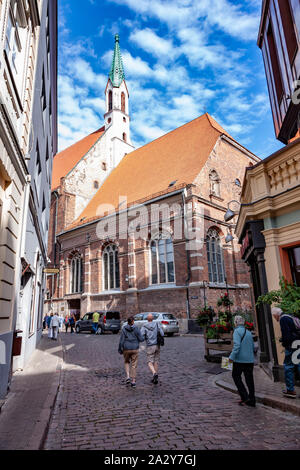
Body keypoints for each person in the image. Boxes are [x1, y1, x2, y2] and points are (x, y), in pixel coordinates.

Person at [273, 308, 300, 399]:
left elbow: (286, 334)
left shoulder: (283, 319)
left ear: (276, 315)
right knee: (299, 365)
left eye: (274, 316)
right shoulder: (290, 316)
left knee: (288, 366)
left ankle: (290, 390)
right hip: (298, 344)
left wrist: (285, 344)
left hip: (291, 346)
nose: (274, 318)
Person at [229, 315, 256, 407]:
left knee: (236, 376)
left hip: (239, 360)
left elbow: (236, 346)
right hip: (249, 360)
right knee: (249, 380)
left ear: (236, 323)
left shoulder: (236, 332)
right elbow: (252, 347)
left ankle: (244, 396)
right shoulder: (248, 332)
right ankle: (252, 400)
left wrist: (231, 357)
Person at [118, 316, 144, 388]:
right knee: (134, 365)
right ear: (133, 322)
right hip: (135, 348)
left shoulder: (124, 329)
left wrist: (120, 349)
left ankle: (128, 377)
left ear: (128, 322)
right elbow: (141, 339)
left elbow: (121, 340)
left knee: (126, 362)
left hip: (126, 348)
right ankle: (133, 381)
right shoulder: (136, 328)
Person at [141, 314, 164, 385]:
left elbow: (141, 336)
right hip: (157, 345)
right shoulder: (157, 325)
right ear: (153, 319)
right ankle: (155, 378)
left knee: (149, 362)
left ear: (147, 319)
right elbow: (162, 334)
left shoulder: (144, 326)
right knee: (156, 361)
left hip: (150, 346)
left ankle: (154, 373)